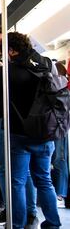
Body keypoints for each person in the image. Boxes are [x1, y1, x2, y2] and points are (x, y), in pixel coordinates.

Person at [0, 32, 61, 229]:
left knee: (16, 182)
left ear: (12, 50)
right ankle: (53, 223)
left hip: (19, 132)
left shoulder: (9, 70)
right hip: (45, 132)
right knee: (43, 180)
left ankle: (18, 224)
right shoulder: (47, 63)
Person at [52, 62, 69, 208]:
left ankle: (60, 193)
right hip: (56, 129)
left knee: (59, 159)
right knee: (58, 159)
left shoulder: (63, 92)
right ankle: (58, 192)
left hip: (59, 129)